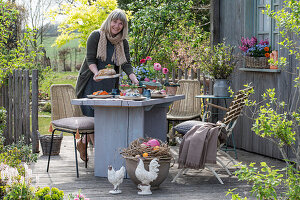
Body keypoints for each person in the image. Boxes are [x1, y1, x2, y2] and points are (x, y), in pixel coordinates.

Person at [75, 9, 139, 161]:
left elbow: (126, 64)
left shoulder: (122, 42)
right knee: (95, 117)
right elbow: (90, 59)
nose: (117, 26)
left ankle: (83, 142)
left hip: (110, 86)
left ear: (123, 26)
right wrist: (97, 73)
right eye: (114, 22)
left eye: (120, 23)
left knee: (107, 118)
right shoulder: (96, 36)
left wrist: (134, 79)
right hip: (91, 83)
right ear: (109, 20)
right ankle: (102, 156)